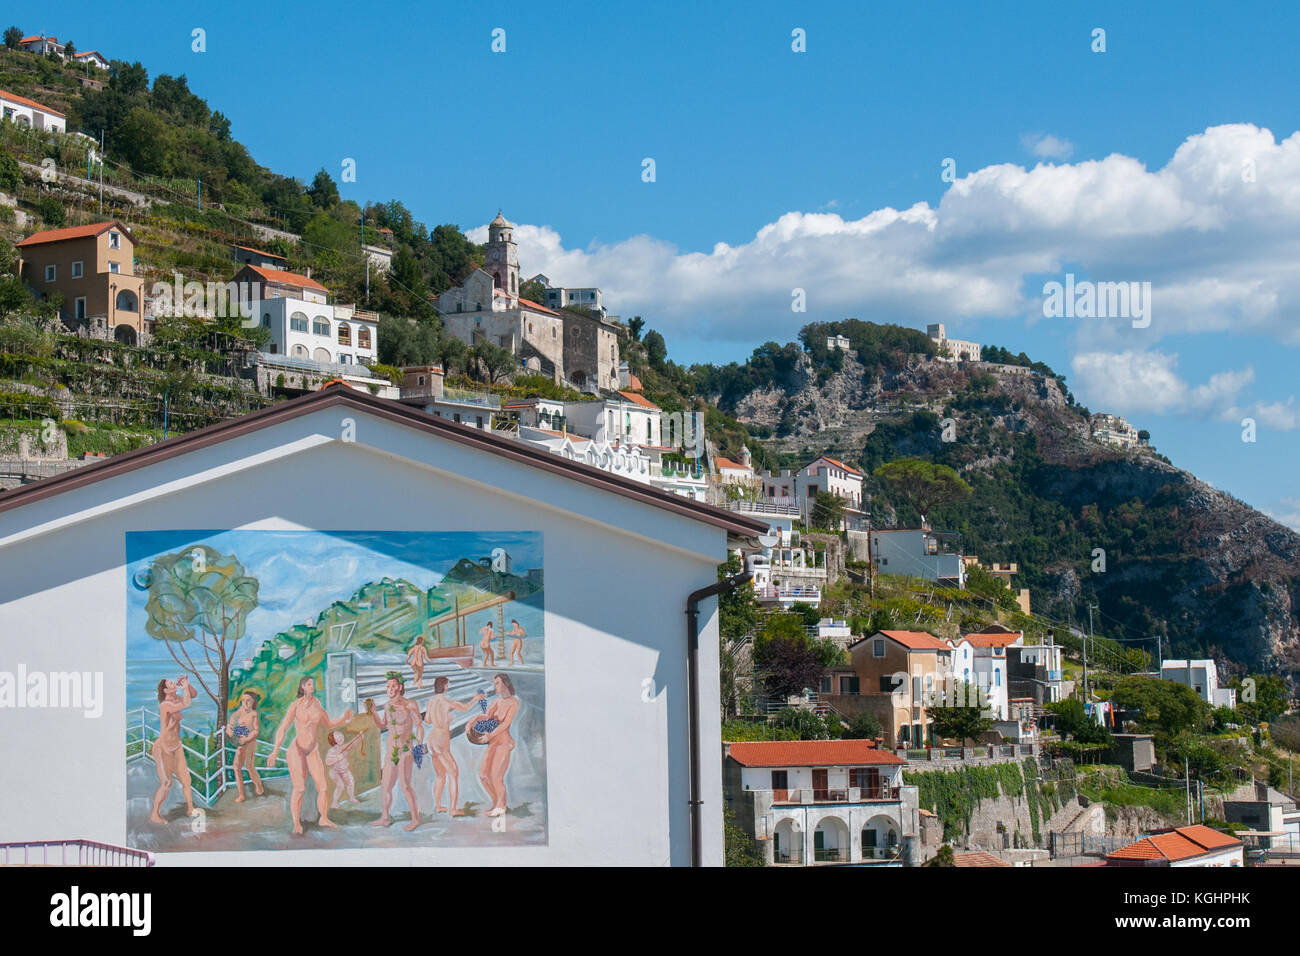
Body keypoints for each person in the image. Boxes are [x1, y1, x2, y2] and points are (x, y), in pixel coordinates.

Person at [268, 676, 354, 835]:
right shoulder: (295, 706)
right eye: (309, 684)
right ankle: (296, 823)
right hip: (297, 749)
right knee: (299, 788)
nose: (312, 687)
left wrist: (343, 718)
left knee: (323, 787)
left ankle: (324, 818)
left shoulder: (317, 705)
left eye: (313, 684)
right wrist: (275, 751)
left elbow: (329, 723)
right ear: (302, 687)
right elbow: (283, 728)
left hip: (312, 750)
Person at [367, 672, 424, 831]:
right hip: (391, 751)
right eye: (387, 687)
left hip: (405, 751)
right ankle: (385, 817)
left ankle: (415, 818)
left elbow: (419, 725)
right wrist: (372, 713)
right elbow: (383, 725)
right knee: (386, 786)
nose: (390, 689)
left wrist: (419, 744)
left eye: (393, 686)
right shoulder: (387, 706)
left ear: (400, 687)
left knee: (405, 786)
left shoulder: (410, 705)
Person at [424, 677, 484, 816]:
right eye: (447, 684)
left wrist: (444, 718)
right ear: (444, 686)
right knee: (454, 773)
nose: (448, 686)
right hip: (441, 739)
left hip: (431, 739)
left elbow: (427, 720)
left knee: (440, 774)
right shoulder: (446, 702)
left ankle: (438, 806)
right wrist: (476, 698)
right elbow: (464, 708)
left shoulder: (431, 701)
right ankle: (453, 809)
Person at [150, 676, 199, 824]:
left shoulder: (177, 698)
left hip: (176, 745)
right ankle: (154, 814)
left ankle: (190, 808)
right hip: (163, 747)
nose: (174, 684)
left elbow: (194, 695)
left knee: (186, 779)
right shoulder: (165, 705)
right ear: (165, 690)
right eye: (171, 683)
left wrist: (187, 685)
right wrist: (184, 688)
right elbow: (187, 703)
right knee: (166, 783)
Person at [479, 673, 520, 818]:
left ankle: (501, 806)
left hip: (504, 743)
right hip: (493, 743)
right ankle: (496, 801)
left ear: (505, 684)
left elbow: (505, 724)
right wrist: (471, 722)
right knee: (483, 775)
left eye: (497, 683)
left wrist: (489, 735)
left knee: (496, 776)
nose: (495, 686)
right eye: (494, 683)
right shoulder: (496, 701)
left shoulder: (513, 702)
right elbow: (486, 716)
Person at [225, 690, 264, 802]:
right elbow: (232, 719)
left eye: (248, 701)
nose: (245, 703)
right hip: (241, 742)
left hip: (250, 742)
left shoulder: (253, 714)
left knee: (249, 767)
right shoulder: (240, 711)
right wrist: (229, 727)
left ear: (253, 702)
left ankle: (259, 787)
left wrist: (247, 738)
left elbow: (256, 730)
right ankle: (241, 794)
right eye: (243, 700)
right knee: (236, 767)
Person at [324, 730, 364, 808]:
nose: (340, 737)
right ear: (334, 741)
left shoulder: (344, 747)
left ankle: (351, 797)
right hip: (335, 772)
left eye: (340, 735)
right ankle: (334, 803)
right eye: (337, 736)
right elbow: (327, 762)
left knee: (351, 782)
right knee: (340, 786)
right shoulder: (331, 750)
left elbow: (352, 744)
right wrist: (337, 758)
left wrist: (359, 737)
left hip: (345, 770)